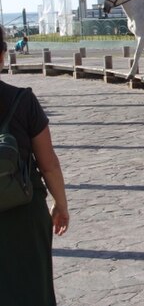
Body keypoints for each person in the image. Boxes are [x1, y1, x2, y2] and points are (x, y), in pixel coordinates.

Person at [0, 26, 69, 305]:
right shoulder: (22, 101)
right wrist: (61, 205)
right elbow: (48, 163)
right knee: (33, 291)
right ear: (3, 55)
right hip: (24, 212)